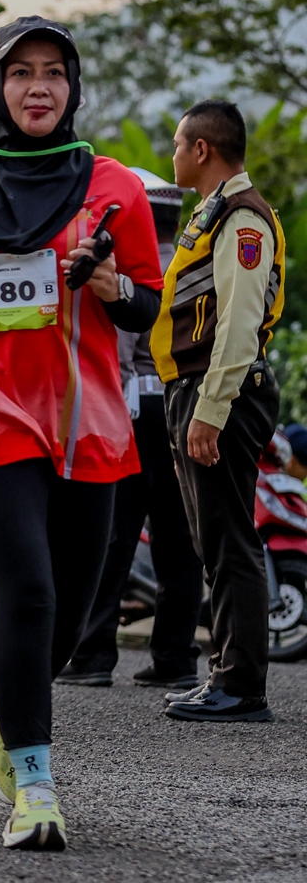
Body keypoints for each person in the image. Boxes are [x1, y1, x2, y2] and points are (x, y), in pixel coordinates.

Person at [0, 18, 162, 851]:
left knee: (71, 616)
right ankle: (35, 786)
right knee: (29, 594)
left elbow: (147, 305)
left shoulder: (113, 186)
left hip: (88, 420)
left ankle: (8, 698)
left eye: (53, 72)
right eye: (20, 72)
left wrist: (112, 286)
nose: (37, 87)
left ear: (72, 88)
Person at [152, 100, 285, 723]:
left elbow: (238, 324)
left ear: (201, 150)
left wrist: (210, 409)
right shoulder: (214, 211)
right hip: (201, 388)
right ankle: (226, 676)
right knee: (216, 539)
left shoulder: (242, 218)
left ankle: (240, 685)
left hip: (222, 391)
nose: (174, 155)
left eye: (179, 144)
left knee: (229, 539)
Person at [56, 169, 202, 691]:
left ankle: (94, 652)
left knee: (114, 536)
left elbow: (117, 352)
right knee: (179, 540)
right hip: (185, 410)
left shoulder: (130, 272)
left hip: (136, 412)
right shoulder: (192, 265)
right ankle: (176, 656)